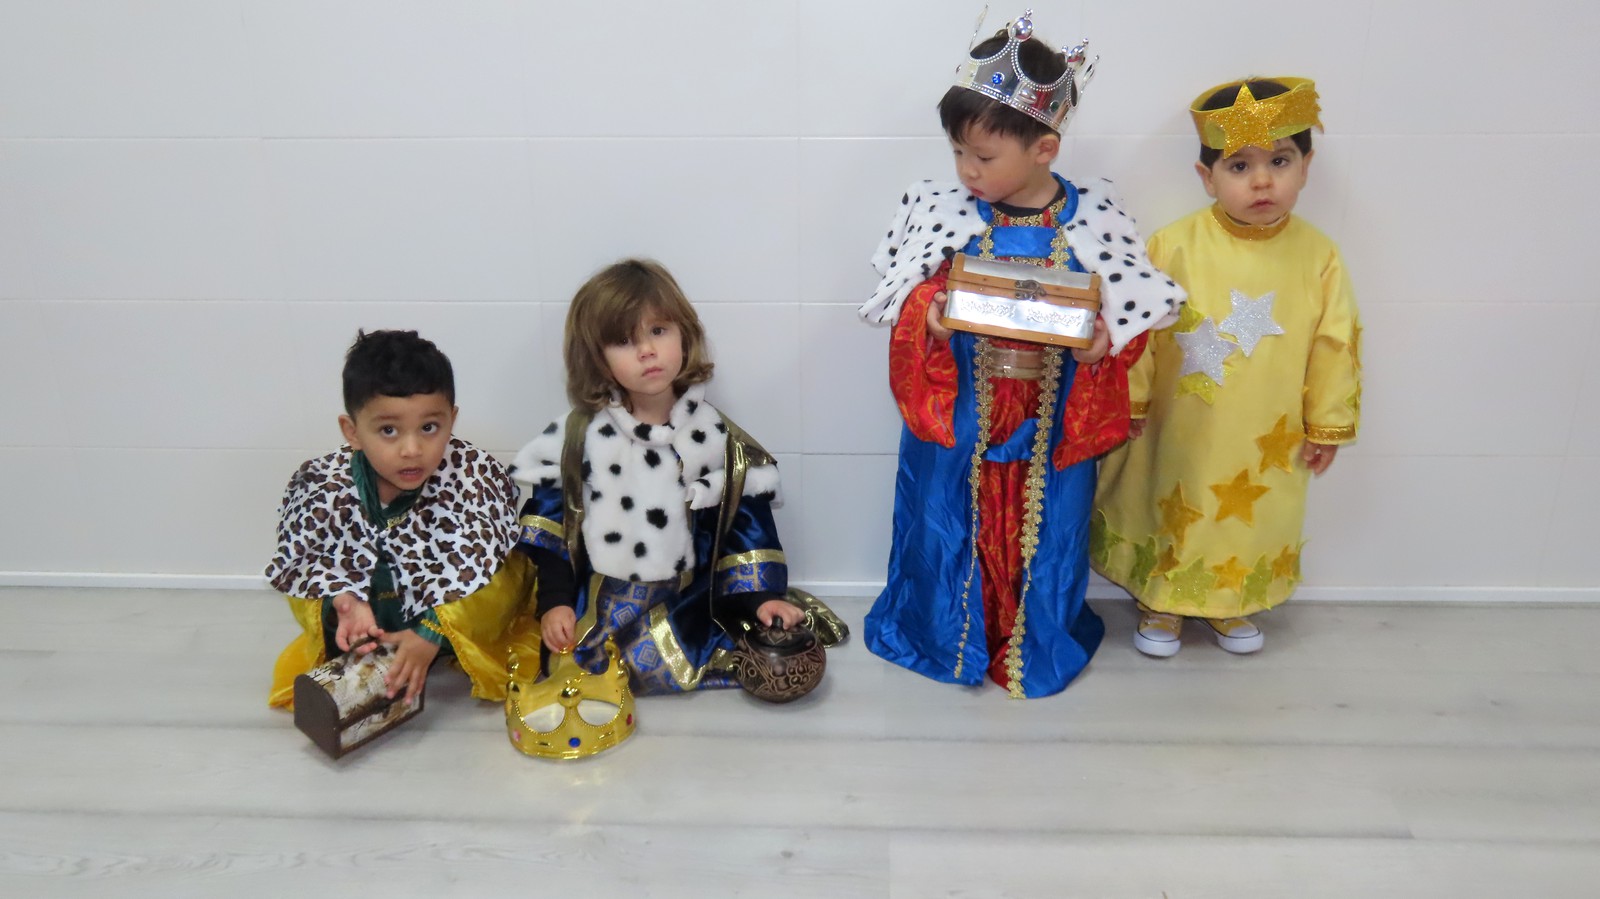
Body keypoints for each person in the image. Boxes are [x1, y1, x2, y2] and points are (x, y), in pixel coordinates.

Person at [859, 11, 1185, 698]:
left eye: (984, 157)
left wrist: (1102, 346)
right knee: (948, 520)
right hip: (965, 413)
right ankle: (945, 633)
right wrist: (931, 316)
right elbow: (912, 297)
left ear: (1044, 148)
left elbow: (1124, 316)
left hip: (1049, 416)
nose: (967, 170)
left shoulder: (1097, 215)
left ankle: (1029, 636)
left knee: (1047, 528)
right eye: (959, 152)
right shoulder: (939, 210)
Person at [1092, 77, 1362, 656]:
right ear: (1207, 175)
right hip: (1180, 425)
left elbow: (1334, 343)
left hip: (1268, 431)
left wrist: (1327, 422)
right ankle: (1162, 600)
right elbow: (1136, 332)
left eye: (1279, 161)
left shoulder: (1319, 256)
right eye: (1239, 166)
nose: (1262, 181)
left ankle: (1231, 600)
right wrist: (1131, 402)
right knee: (1173, 502)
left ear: (1306, 167)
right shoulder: (1173, 246)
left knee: (1250, 514)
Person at [511, 259, 845, 696]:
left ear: (684, 335)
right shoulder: (580, 439)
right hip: (606, 596)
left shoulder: (711, 436)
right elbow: (555, 528)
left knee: (753, 657)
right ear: (598, 359)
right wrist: (555, 603)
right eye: (623, 341)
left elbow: (745, 526)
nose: (647, 351)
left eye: (658, 331)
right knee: (576, 668)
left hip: (688, 600)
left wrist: (760, 598)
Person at [265, 329, 537, 708]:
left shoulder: (472, 477)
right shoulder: (323, 486)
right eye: (388, 430)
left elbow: (498, 576)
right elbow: (303, 564)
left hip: (447, 624)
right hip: (375, 624)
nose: (412, 450)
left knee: (503, 577)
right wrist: (343, 600)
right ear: (352, 431)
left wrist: (431, 633)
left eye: (429, 428)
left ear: (452, 419)